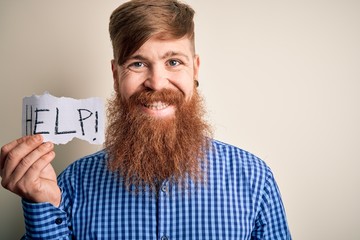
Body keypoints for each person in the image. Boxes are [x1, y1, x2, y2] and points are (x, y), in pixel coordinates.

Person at [0, 0, 292, 239]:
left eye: (173, 62)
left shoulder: (254, 179)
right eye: (137, 63)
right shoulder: (72, 184)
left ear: (195, 69)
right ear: (116, 76)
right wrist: (41, 202)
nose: (156, 82)